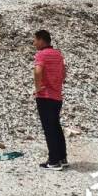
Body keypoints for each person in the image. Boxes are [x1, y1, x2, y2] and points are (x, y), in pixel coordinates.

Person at [33, 30, 68, 171]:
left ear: (42, 40)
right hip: (57, 96)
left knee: (49, 129)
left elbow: (37, 71)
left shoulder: (41, 54)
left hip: (45, 97)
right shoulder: (58, 54)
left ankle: (53, 161)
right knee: (56, 127)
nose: (34, 43)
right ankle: (62, 157)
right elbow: (64, 73)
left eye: (35, 40)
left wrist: (38, 87)